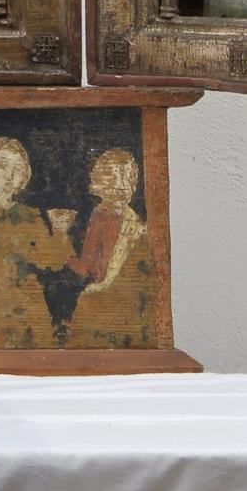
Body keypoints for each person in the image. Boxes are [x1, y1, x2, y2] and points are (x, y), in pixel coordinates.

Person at [0, 138, 72, 349]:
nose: (9, 175)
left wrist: (60, 231)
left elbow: (52, 262)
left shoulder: (30, 215)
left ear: (24, 176)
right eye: (2, 165)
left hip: (32, 309)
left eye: (17, 169)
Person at [63, 149, 157, 348]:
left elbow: (130, 278)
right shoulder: (100, 214)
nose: (122, 185)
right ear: (101, 181)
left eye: (127, 177)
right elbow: (86, 266)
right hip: (100, 293)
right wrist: (59, 244)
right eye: (114, 178)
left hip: (123, 296)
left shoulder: (137, 229)